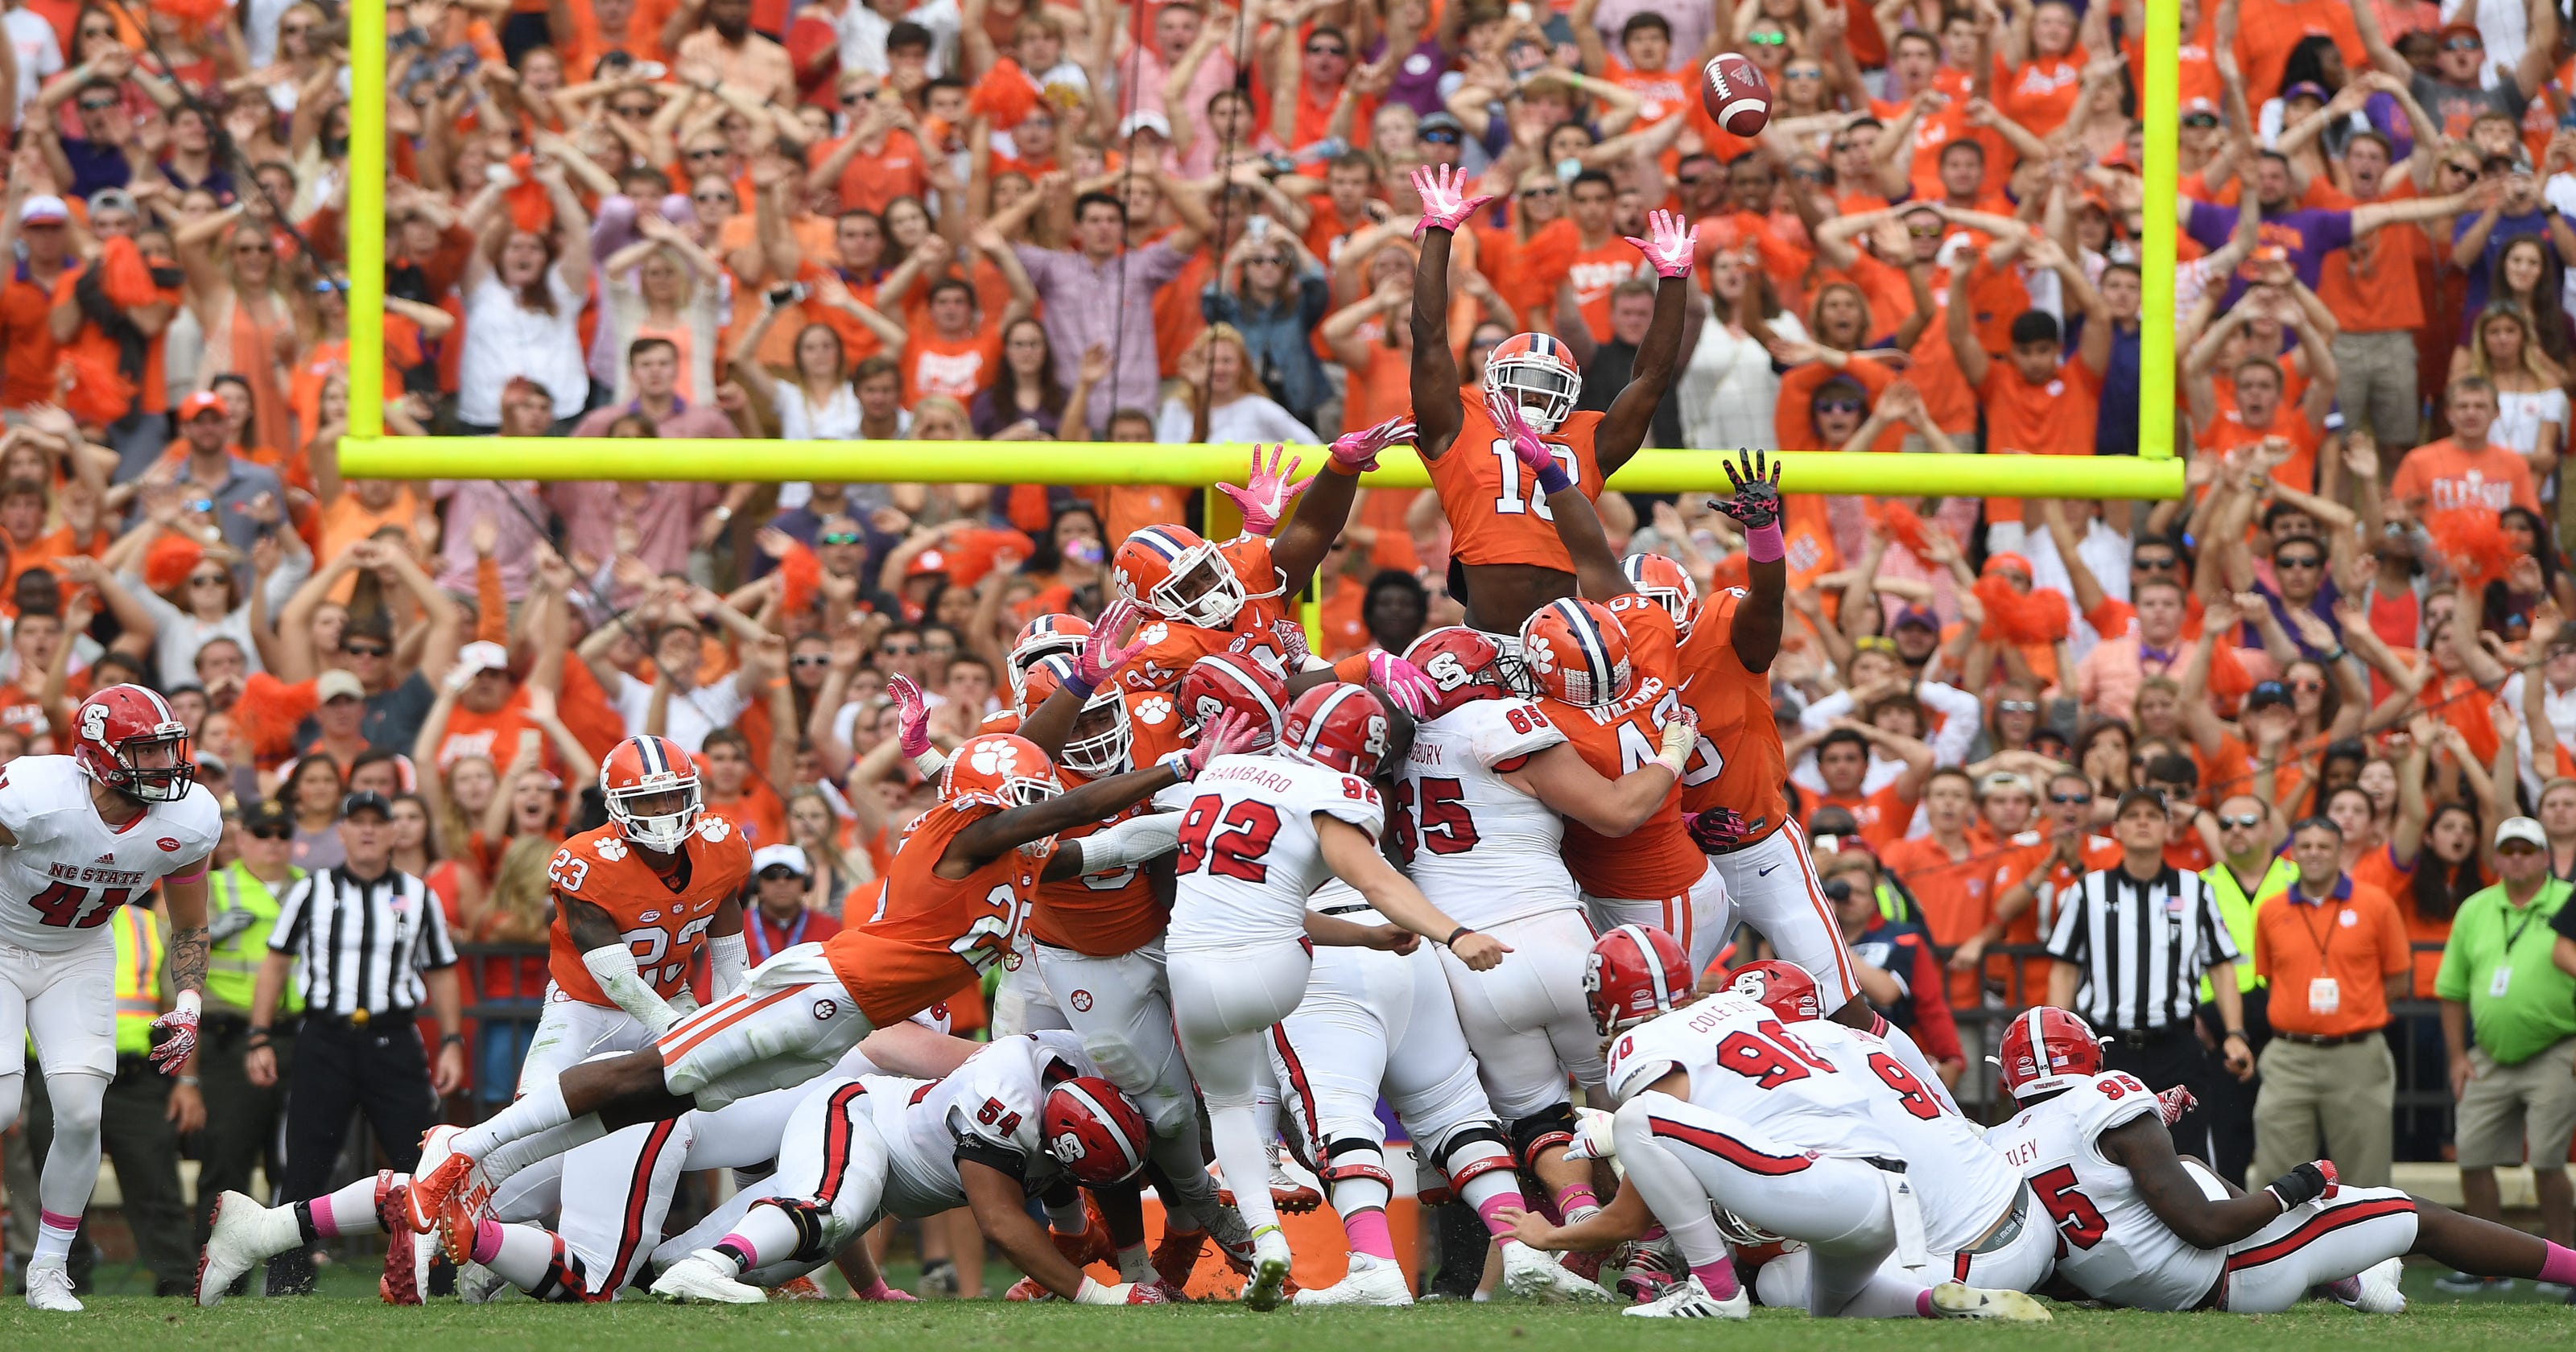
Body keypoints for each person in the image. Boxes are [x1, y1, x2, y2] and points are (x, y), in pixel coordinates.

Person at [1159, 680, 1508, 1309]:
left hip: (1192, 970)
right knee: (1441, 1106)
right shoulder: (1338, 792)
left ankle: (1273, 1243)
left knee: (1236, 1108)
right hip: (1290, 966)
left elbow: (1258, 894)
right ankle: (1514, 1248)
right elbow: (1373, 877)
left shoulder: (1221, 771)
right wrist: (1452, 935)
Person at [1505, 933, 2052, 1322]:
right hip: (1890, 1197)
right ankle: (1934, 1303)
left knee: (1636, 1118)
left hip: (1829, 1189)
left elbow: (1633, 1209)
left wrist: (1549, 1234)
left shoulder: (1638, 1043)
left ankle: (1716, 1292)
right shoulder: (1755, 1020)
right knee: (1831, 1305)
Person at [1986, 1004, 2576, 1312]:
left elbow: (2057, 1239)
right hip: (2236, 1274)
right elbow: (2205, 1226)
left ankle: (2341, 1276)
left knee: (2187, 1167)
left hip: (2146, 1287)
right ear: (2090, 1058)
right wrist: (2295, 1185)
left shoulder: (2003, 1143)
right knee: (2419, 1217)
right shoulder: (2108, 1096)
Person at [0, 686, 221, 1312]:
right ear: (100, 756)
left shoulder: (188, 820)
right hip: (0, 943)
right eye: (147, 752)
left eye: (166, 749)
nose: (165, 764)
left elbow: (190, 926)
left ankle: (48, 1272)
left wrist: (189, 1005)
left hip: (80, 954)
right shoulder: (36, 798)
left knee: (77, 1113)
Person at [1406, 164, 1689, 641]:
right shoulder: (1460, 421)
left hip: (1566, 642)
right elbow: (1429, 337)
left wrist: (1674, 281)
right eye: (1521, 384)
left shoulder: (1588, 437)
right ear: (1494, 383)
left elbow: (1651, 378)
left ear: (1572, 393)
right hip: (1482, 638)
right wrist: (1439, 233)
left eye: (1546, 386)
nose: (1534, 398)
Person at [246, 789, 465, 1294]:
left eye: (377, 822)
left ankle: (444, 1275)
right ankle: (287, 1279)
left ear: (393, 833)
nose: (367, 831)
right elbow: (276, 962)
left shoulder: (418, 893)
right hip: (326, 1038)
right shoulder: (311, 890)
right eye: (357, 822)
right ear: (340, 832)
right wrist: (259, 1035)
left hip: (393, 1038)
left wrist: (451, 1039)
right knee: (304, 1161)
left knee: (422, 1161)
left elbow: (443, 970)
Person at [2046, 788, 2255, 1163]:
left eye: (2153, 815)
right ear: (2117, 829)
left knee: (2189, 1158)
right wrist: (2060, 1042)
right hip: (2109, 1049)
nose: (2143, 822)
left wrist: (2236, 1033)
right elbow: (2064, 968)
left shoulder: (2196, 890)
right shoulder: (2088, 891)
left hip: (2176, 1045)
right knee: (2108, 1160)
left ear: (2167, 827)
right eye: (2132, 815)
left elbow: (2221, 967)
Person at [2434, 816, 2576, 1292]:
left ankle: (2563, 1263)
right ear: (2495, 858)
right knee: (2472, 1154)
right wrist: (2457, 1056)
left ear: (2544, 856)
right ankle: (2488, 1263)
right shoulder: (2475, 908)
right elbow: (2451, 989)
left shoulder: (2567, 900)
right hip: (2489, 1053)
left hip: (2557, 1047)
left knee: (2550, 1159)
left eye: (2527, 850)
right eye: (2508, 850)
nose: (2517, 858)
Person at [2250, 814, 2411, 1190]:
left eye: (2324, 846)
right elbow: (2270, 977)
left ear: (2340, 851)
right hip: (2289, 1055)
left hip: (2356, 1054)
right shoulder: (2271, 910)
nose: (2314, 854)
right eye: (2305, 846)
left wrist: (2354, 1010)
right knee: (2276, 1174)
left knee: (2365, 1175)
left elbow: (2398, 978)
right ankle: (2279, 1250)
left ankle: (2372, 1251)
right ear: (2293, 853)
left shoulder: (2376, 903)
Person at [190, 798, 303, 1262]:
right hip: (228, 1037)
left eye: (282, 833)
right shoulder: (214, 886)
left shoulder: (310, 887)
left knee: (294, 1160)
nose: (274, 843)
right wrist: (211, 929)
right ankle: (213, 1268)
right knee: (226, 1159)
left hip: (297, 1033)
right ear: (240, 838)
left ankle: (290, 1274)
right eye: (262, 833)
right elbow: (174, 956)